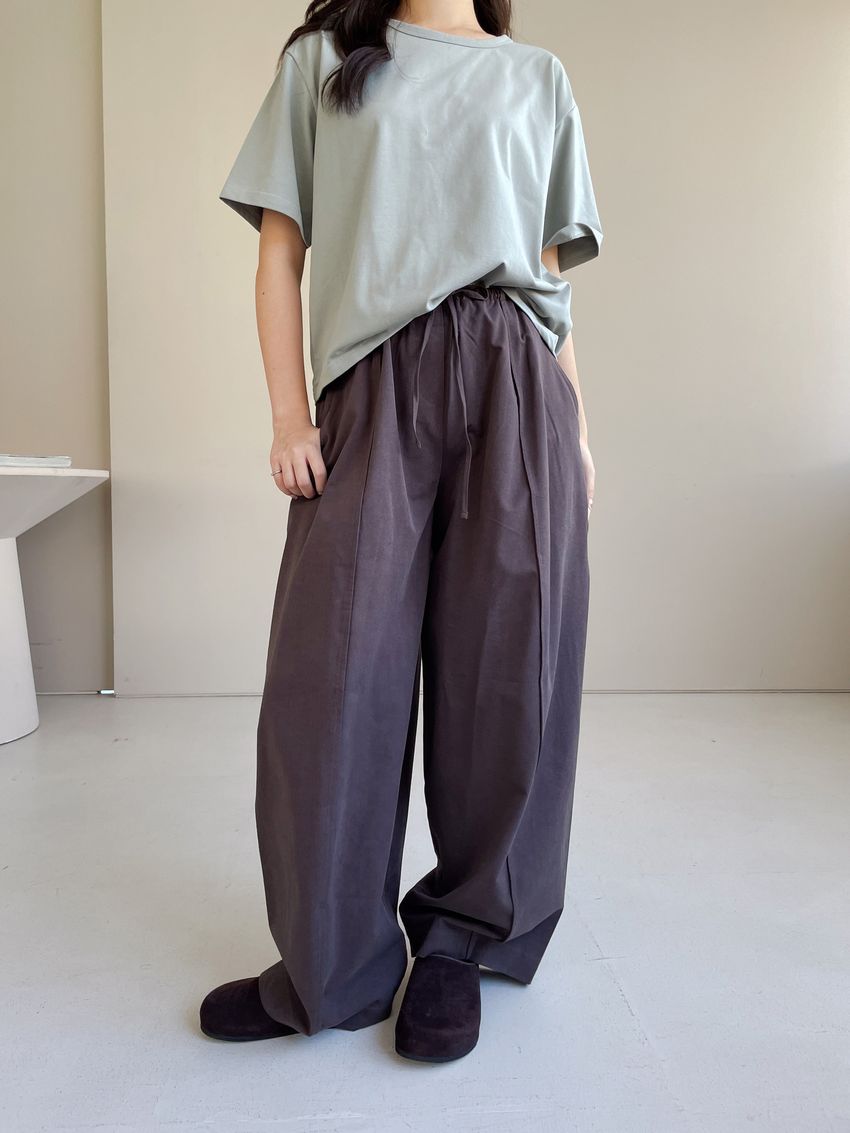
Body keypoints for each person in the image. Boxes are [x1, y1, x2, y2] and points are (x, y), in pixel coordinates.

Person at [200, 0, 603, 1063]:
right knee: (334, 677)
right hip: (372, 385)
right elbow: (279, 252)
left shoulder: (536, 77)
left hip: (518, 384)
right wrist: (288, 415)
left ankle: (464, 941)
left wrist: (578, 432)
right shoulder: (327, 61)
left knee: (510, 673)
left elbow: (549, 278)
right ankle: (328, 962)